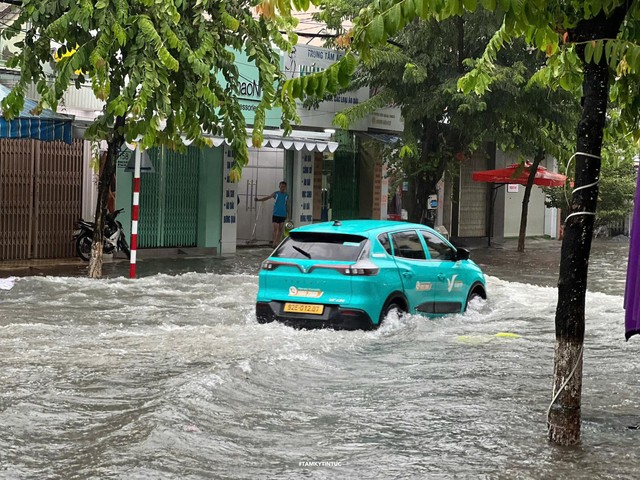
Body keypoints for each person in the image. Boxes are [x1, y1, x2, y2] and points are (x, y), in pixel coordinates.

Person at [255, 181, 289, 248]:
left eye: (284, 187)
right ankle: (273, 243)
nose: (283, 188)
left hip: (283, 214)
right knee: (275, 228)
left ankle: (277, 243)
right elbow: (267, 197)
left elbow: (287, 205)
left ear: (285, 187)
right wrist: (258, 200)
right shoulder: (276, 194)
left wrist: (288, 214)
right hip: (276, 214)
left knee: (280, 229)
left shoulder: (286, 195)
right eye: (281, 186)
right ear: (279, 186)